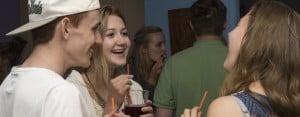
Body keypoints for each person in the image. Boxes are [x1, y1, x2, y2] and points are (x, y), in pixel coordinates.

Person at [0, 0, 102, 117]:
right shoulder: (61, 94)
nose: (99, 40)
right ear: (66, 28)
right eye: (94, 29)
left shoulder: (8, 84)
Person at [206, 0, 300, 117]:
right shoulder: (290, 105)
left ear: (253, 43)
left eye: (238, 26)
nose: (229, 34)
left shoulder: (226, 108)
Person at [67, 5, 153, 117]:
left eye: (124, 33)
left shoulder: (134, 89)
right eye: (111, 34)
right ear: (94, 40)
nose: (122, 41)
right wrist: (112, 105)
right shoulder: (73, 89)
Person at [153, 0, 228, 116]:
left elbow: (162, 114)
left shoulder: (173, 64)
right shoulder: (241, 61)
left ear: (191, 26)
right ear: (224, 24)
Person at [129, 26, 167, 101]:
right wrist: (152, 79)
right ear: (144, 48)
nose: (164, 48)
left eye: (164, 44)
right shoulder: (130, 72)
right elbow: (141, 103)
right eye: (159, 45)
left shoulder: (165, 69)